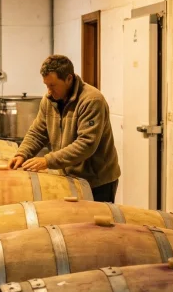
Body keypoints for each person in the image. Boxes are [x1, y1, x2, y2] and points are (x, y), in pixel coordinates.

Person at [9, 54, 121, 202]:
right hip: (68, 179)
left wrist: (47, 161)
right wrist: (22, 154)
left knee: (93, 224)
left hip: (96, 182)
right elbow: (38, 132)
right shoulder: (49, 100)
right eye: (46, 85)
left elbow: (86, 144)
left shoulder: (92, 100)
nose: (48, 91)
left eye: (52, 85)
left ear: (68, 79)